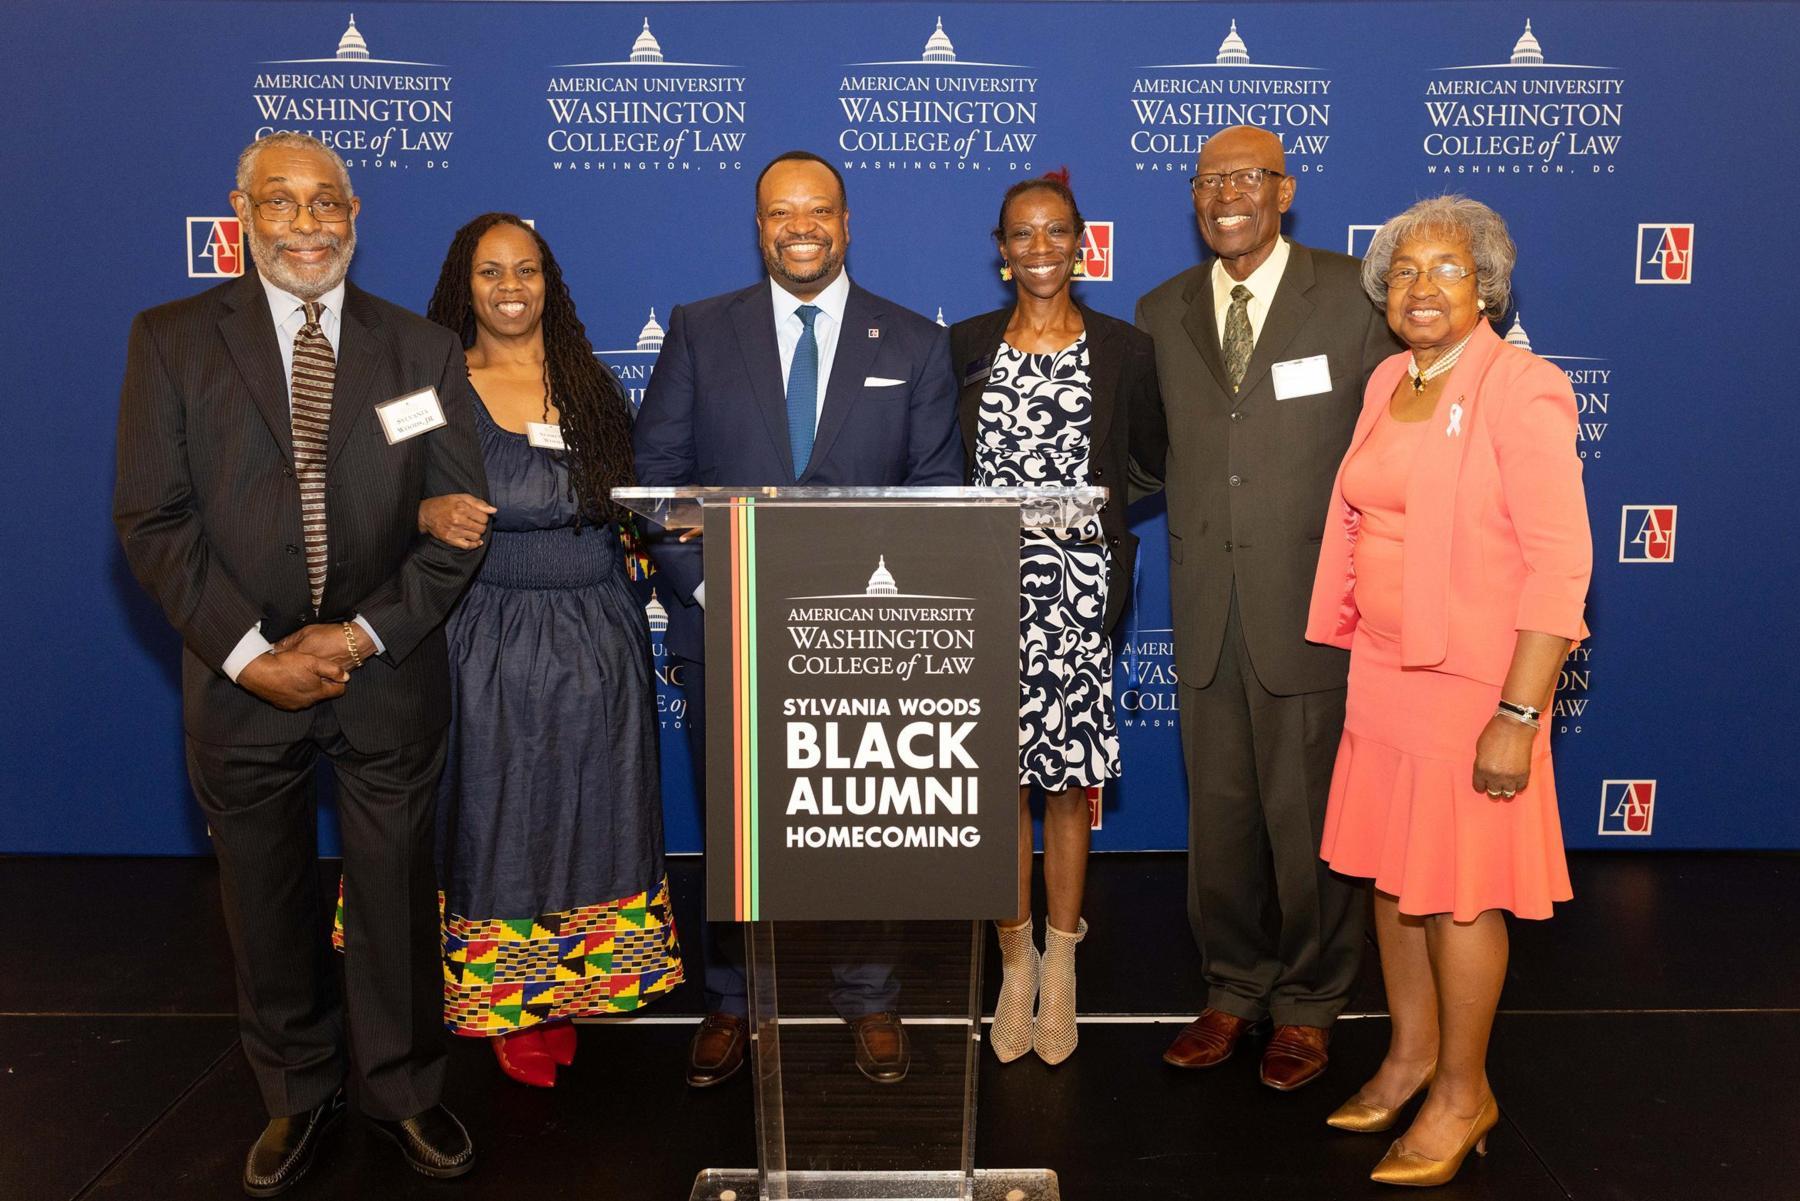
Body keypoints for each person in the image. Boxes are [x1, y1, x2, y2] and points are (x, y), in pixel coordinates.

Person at [113, 132, 486, 1194]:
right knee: (265, 903)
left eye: (327, 201)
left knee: (396, 899)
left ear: (355, 213)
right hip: (244, 682)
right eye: (281, 201)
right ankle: (294, 1091)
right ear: (242, 214)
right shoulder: (172, 340)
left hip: (387, 670)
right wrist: (248, 655)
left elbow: (456, 525)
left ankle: (405, 1092)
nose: (307, 222)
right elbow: (153, 519)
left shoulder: (420, 349)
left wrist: (363, 633)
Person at [634, 149, 963, 1087]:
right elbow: (657, 483)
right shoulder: (701, 330)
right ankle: (735, 995)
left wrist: (863, 614)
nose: (801, 226)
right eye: (781, 212)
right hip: (724, 623)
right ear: (759, 225)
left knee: (860, 814)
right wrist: (710, 590)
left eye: (818, 209)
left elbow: (936, 491)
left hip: (865, 635)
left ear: (848, 222)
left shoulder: (911, 341)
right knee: (735, 821)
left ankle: (871, 991)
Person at [1305, 195, 1590, 1186]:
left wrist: (1518, 714)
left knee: (1461, 896)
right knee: (1394, 878)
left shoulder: (1524, 388)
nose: (1424, 287)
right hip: (1383, 671)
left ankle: (1466, 1094)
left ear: (1489, 288)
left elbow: (1561, 567)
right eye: (1407, 273)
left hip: (1475, 687)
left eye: (1449, 270)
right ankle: (1412, 1056)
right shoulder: (1389, 376)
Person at [1134, 125, 1402, 1090]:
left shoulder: (1355, 299)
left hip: (1316, 609)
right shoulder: (1158, 309)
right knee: (1222, 820)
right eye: (1209, 181)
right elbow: (1139, 453)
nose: (1227, 196)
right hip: (1206, 606)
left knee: (1310, 823)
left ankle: (1310, 1004)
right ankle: (1232, 989)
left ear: (1285, 190)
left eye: (1247, 178)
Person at [411, 213, 683, 1089]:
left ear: (549, 282)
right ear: (466, 283)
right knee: (502, 813)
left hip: (597, 625)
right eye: (490, 271)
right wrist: (419, 513)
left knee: (595, 804)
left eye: (525, 269)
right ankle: (506, 999)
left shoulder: (591, 382)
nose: (510, 287)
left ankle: (578, 983)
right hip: (489, 628)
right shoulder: (432, 384)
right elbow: (372, 491)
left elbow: (636, 501)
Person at [948, 172, 1159, 1065]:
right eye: (1021, 235)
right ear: (1001, 251)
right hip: (985, 585)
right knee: (996, 782)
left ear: (1081, 244)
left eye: (1055, 233)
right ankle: (1014, 962)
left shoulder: (1124, 348)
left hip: (1075, 593)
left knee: (1068, 784)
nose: (1039, 249)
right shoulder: (960, 346)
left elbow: (1149, 461)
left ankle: (1063, 966)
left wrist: (1092, 524)